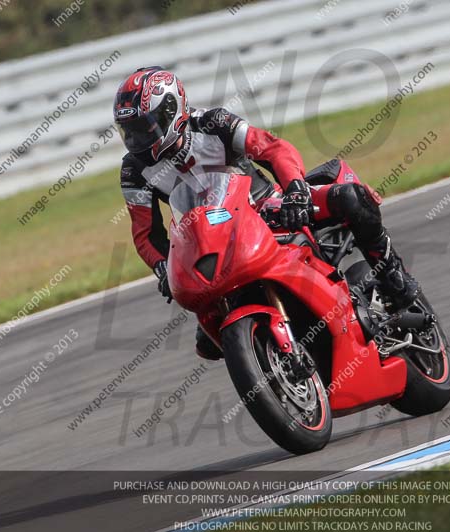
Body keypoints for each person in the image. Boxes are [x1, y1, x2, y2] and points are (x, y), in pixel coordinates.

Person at [113, 66, 420, 360]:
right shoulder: (133, 170)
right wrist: (163, 267)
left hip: (265, 209)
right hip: (208, 240)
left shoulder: (213, 123)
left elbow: (272, 149)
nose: (136, 140)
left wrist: (295, 189)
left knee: (350, 198)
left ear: (170, 110)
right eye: (128, 132)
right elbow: (145, 234)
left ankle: (393, 278)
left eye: (143, 128)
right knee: (208, 343)